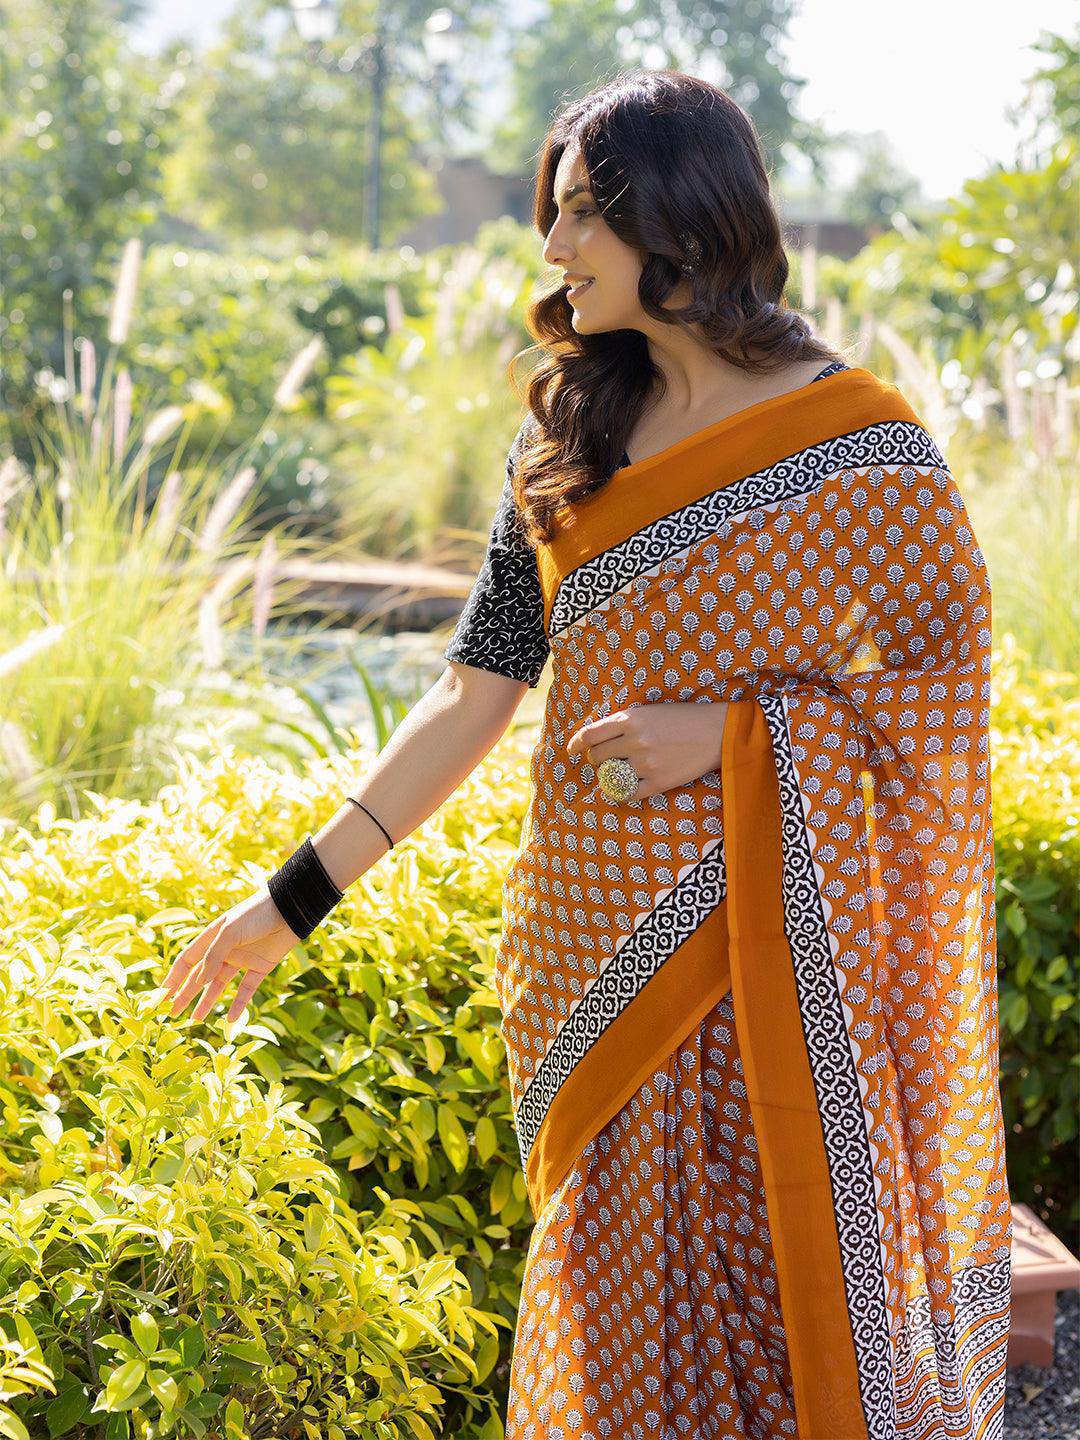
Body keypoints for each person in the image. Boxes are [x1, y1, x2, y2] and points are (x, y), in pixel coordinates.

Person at [161, 68, 1012, 1440]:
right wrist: (292, 900)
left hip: (766, 968)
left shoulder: (862, 453)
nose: (550, 252)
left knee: (769, 1325)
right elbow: (472, 697)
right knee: (615, 1353)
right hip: (582, 957)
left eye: (574, 217)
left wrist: (735, 740)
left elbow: (942, 707)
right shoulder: (569, 440)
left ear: (671, 217)